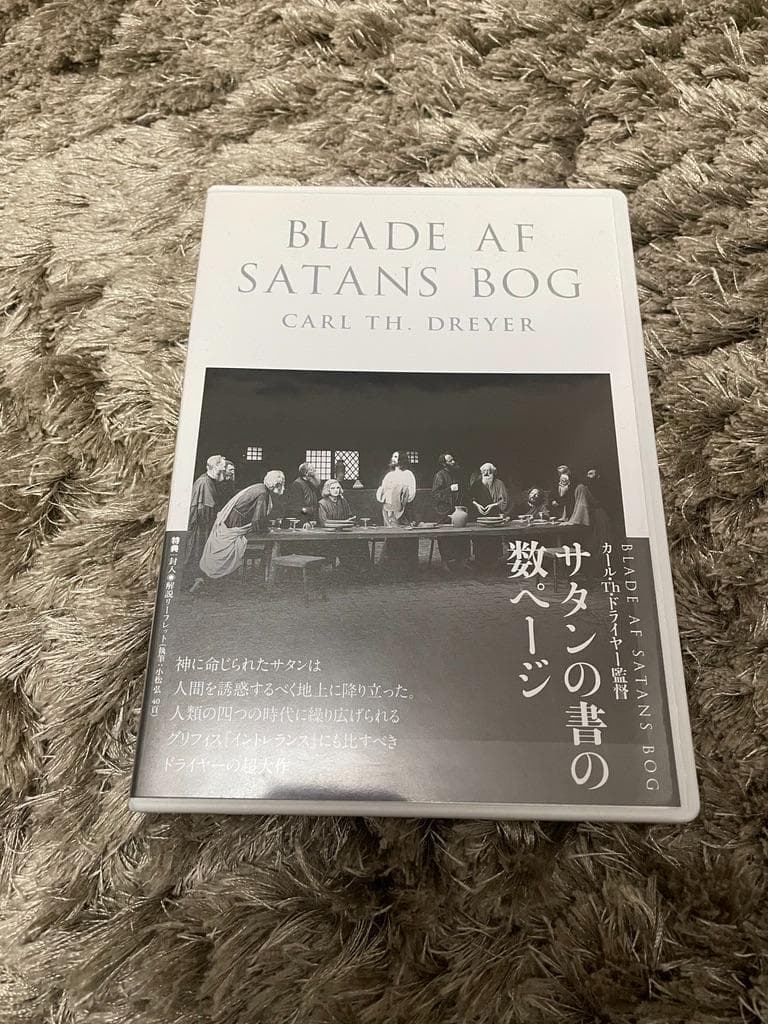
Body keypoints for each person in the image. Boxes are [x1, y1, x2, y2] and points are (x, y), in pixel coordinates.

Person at [196, 470, 285, 585]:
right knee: (232, 550)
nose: (283, 487)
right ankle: (220, 580)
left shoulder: (259, 487)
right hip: (235, 523)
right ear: (277, 484)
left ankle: (215, 580)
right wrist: (265, 530)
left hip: (233, 521)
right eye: (282, 484)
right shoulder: (263, 493)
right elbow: (257, 520)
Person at [184, 455, 226, 589]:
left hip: (203, 524)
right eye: (222, 468)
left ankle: (197, 581)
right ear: (215, 467)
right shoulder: (204, 482)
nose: (224, 471)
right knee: (195, 552)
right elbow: (204, 508)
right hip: (199, 526)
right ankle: (191, 582)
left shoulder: (210, 481)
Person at [376, 452, 418, 571]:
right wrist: (385, 495)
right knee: (391, 536)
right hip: (388, 509)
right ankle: (391, 565)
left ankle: (406, 566)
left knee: (405, 536)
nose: (393, 458)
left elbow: (411, 493)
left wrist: (400, 496)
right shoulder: (389, 475)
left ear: (402, 459)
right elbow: (382, 490)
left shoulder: (408, 474)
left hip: (403, 509)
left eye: (396, 456)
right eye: (393, 456)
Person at [318, 479, 369, 574]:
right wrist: (345, 522)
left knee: (362, 541)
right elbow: (325, 522)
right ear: (327, 490)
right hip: (329, 535)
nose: (336, 490)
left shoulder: (343, 501)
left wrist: (351, 520)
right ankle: (347, 567)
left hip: (344, 532)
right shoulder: (322, 503)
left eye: (338, 488)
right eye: (333, 488)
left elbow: (349, 516)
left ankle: (363, 569)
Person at [431, 453, 471, 572]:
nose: (453, 462)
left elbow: (464, 490)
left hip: (459, 509)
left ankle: (462, 561)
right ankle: (445, 563)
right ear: (444, 464)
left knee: (462, 536)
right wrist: (449, 490)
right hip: (445, 511)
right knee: (446, 538)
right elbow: (435, 494)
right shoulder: (439, 475)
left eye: (453, 459)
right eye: (450, 460)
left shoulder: (457, 473)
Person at [470, 462, 510, 570]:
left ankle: (494, 561)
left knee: (493, 538)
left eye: (489, 471)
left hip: (494, 516)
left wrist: (492, 505)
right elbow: (471, 499)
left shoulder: (499, 483)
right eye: (484, 471)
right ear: (481, 472)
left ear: (493, 472)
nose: (487, 473)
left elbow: (504, 500)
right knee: (479, 538)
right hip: (479, 515)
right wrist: (477, 505)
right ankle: (479, 560)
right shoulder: (477, 484)